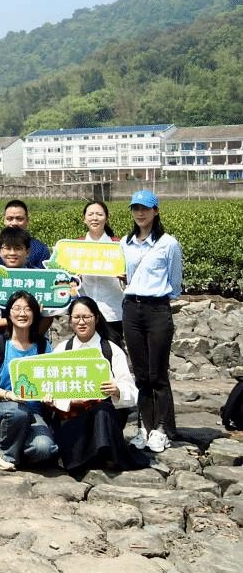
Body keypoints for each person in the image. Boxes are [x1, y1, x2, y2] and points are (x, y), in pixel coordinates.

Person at [51, 296, 149, 479]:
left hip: (104, 415)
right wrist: (69, 402)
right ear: (70, 320)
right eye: (76, 317)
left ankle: (102, 454)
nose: (81, 322)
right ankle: (90, 455)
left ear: (96, 318)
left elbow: (131, 391)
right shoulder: (62, 349)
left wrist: (117, 390)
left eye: (86, 317)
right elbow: (52, 388)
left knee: (102, 411)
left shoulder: (111, 349)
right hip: (72, 414)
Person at [121, 189, 183, 453]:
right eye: (136, 208)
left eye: (145, 208)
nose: (140, 213)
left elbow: (175, 283)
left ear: (156, 211)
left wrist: (155, 294)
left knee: (158, 374)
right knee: (141, 374)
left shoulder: (168, 243)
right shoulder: (125, 243)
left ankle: (162, 429)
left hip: (157, 309)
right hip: (130, 309)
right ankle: (144, 427)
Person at [0, 290, 58, 471]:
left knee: (45, 449)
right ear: (8, 313)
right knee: (16, 412)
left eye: (28, 309)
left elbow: (49, 382)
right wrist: (10, 395)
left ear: (35, 314)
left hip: (33, 411)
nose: (22, 313)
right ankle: (6, 454)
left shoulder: (43, 346)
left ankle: (16, 441)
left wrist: (49, 397)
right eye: (17, 308)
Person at [78, 200, 125, 346]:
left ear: (107, 218)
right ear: (84, 219)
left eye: (99, 214)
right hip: (84, 311)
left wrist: (125, 277)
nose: (94, 218)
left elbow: (130, 277)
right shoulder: (76, 246)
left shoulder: (118, 245)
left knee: (113, 351)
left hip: (112, 311)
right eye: (90, 214)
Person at [0, 200, 51, 270]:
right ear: (4, 220)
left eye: (19, 219)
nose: (14, 223)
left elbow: (44, 275)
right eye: (10, 219)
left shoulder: (41, 249)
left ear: (27, 220)